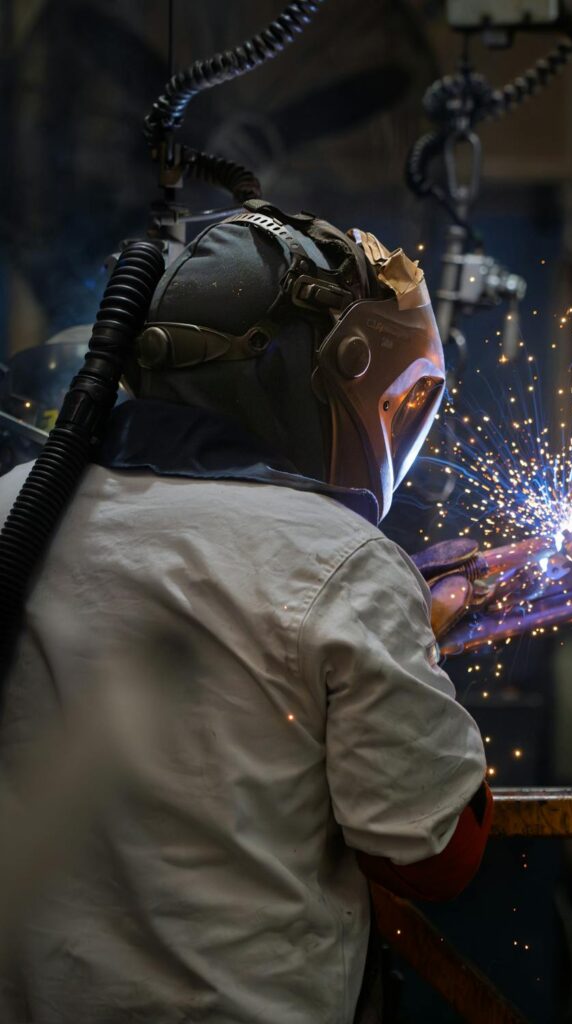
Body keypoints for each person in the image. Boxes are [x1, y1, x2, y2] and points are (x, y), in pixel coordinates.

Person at [0, 200, 490, 1024]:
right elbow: (430, 854)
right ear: (330, 372)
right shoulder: (338, 561)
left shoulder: (16, 509)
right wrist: (421, 645)